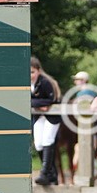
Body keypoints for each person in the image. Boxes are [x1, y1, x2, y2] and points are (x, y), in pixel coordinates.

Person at [30, 57, 61, 186]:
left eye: (32, 72)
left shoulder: (46, 82)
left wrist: (34, 103)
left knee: (48, 140)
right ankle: (51, 173)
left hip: (52, 116)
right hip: (39, 115)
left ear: (38, 71)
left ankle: (44, 173)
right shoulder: (28, 84)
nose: (30, 75)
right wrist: (37, 104)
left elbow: (51, 101)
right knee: (38, 144)